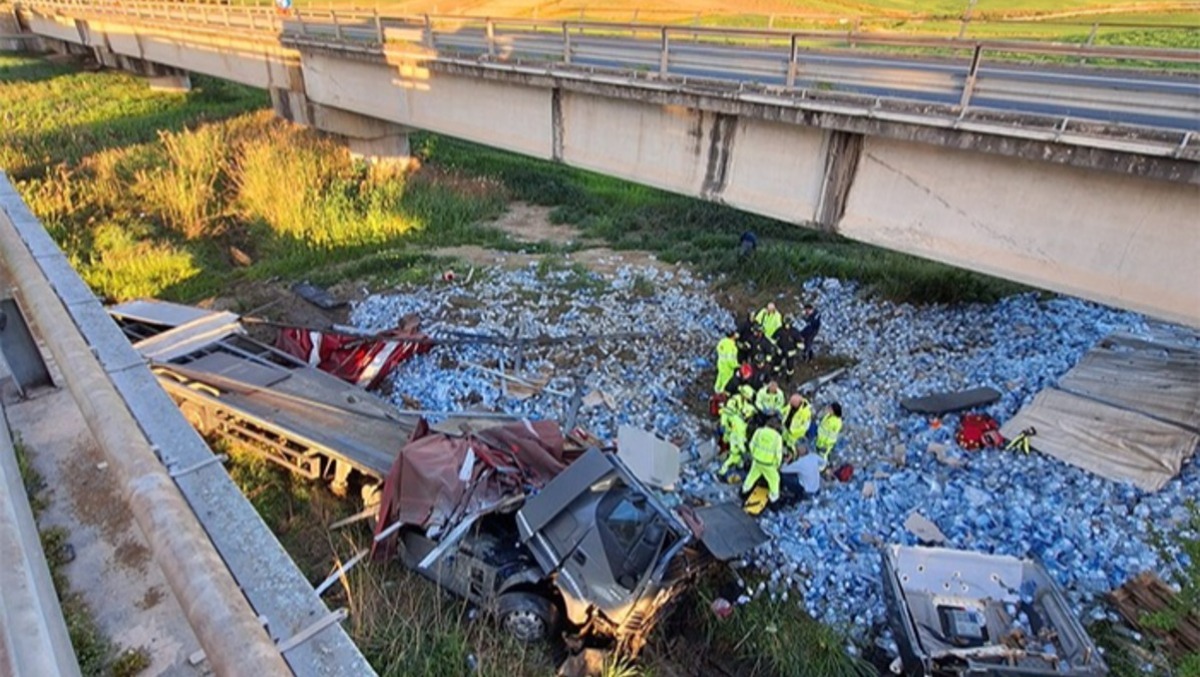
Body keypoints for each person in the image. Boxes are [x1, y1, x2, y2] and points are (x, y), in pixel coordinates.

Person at [742, 416, 784, 504]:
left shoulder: (759, 431)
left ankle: (744, 491)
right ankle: (774, 499)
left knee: (751, 477)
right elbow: (778, 453)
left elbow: (751, 444)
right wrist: (777, 465)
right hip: (769, 464)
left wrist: (754, 455)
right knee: (774, 480)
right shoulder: (777, 437)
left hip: (757, 461)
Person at [714, 330, 739, 394]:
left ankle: (716, 390)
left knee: (720, 377)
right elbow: (730, 360)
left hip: (721, 363)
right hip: (728, 367)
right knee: (726, 381)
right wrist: (736, 365)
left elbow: (718, 349)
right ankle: (721, 394)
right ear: (733, 336)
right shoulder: (732, 347)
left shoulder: (722, 341)